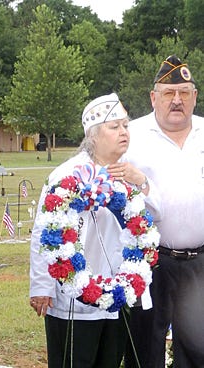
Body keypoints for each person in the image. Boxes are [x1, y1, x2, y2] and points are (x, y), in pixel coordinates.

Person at [29, 94, 157, 368]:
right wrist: (41, 285)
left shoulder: (128, 174)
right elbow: (44, 232)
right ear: (93, 135)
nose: (124, 132)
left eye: (126, 126)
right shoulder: (67, 176)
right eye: (115, 127)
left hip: (117, 296)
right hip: (72, 299)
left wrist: (142, 182)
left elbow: (148, 223)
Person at [123, 55, 204, 368]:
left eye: (184, 92)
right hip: (151, 261)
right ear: (153, 97)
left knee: (198, 348)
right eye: (169, 93)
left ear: (195, 97)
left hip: (201, 263)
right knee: (146, 348)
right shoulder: (130, 135)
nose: (177, 100)